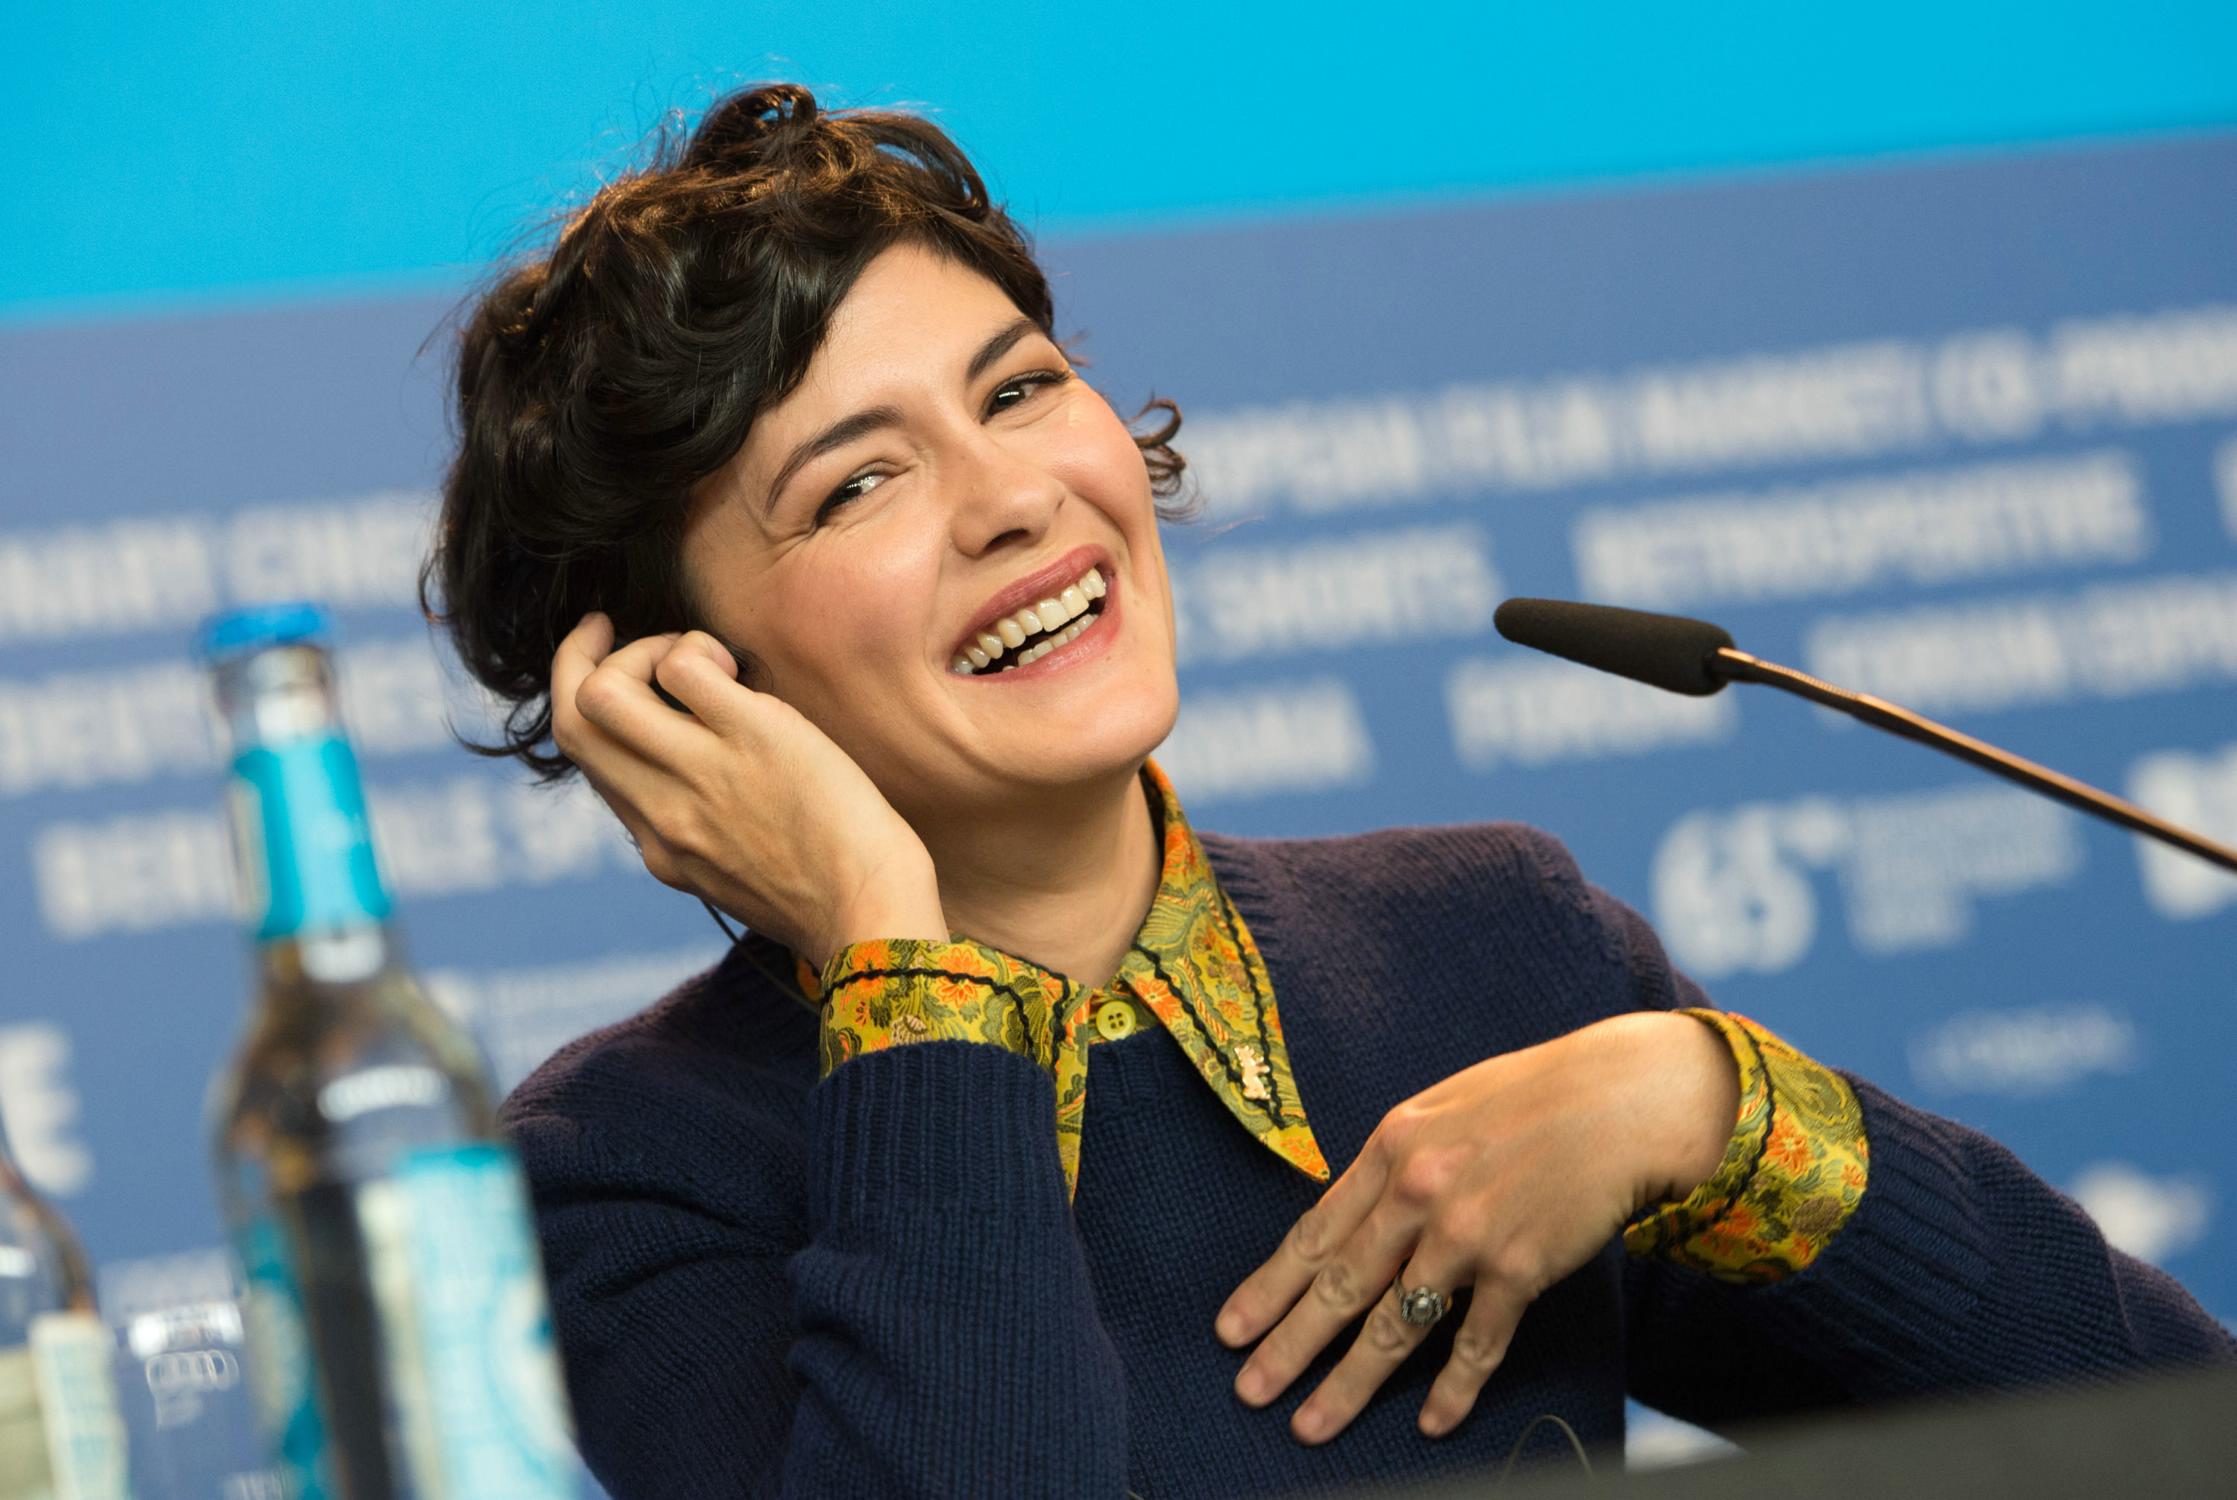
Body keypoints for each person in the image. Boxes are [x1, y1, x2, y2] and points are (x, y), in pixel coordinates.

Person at [423, 82, 2234, 1498]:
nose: (1014, 498)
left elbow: (2161, 1434)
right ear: (683, 686)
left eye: (1022, 388)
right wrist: (894, 963)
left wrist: (1697, 1099)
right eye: (855, 485)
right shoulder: (629, 1175)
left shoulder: (1486, 952)